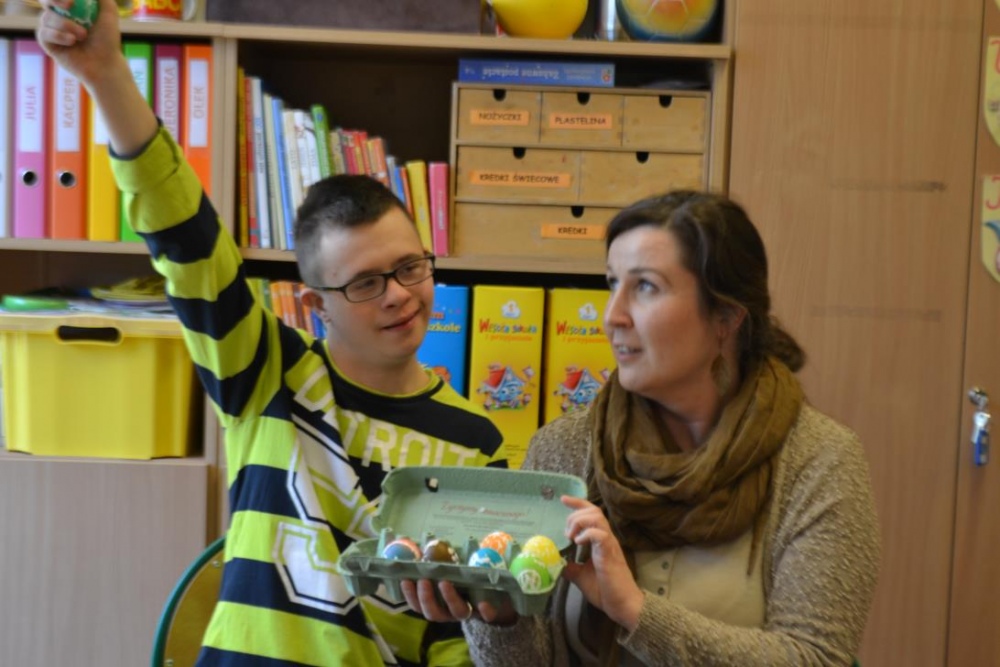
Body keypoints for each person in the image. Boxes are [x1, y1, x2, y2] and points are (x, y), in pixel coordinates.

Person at [36, 1, 507, 665]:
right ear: (315, 305)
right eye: (365, 283)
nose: (399, 294)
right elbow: (187, 241)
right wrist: (107, 73)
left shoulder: (478, 442)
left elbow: (462, 642)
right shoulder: (264, 372)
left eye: (410, 267)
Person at [403, 190, 881, 666]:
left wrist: (634, 610)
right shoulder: (564, 448)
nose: (612, 316)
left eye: (646, 287)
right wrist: (499, 616)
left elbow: (819, 657)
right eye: (613, 283)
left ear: (726, 317)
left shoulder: (820, 461)